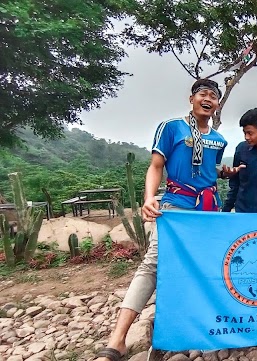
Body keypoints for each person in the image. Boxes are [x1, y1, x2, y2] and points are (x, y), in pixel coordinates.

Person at [95, 79, 243, 361]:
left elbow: (206, 168)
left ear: (218, 105)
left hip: (209, 208)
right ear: (192, 99)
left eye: (214, 95)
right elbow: (156, 166)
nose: (208, 98)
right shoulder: (171, 127)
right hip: (177, 204)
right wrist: (149, 197)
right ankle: (118, 340)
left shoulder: (219, 140)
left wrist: (225, 172)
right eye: (203, 94)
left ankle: (185, 331)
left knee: (204, 266)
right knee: (154, 263)